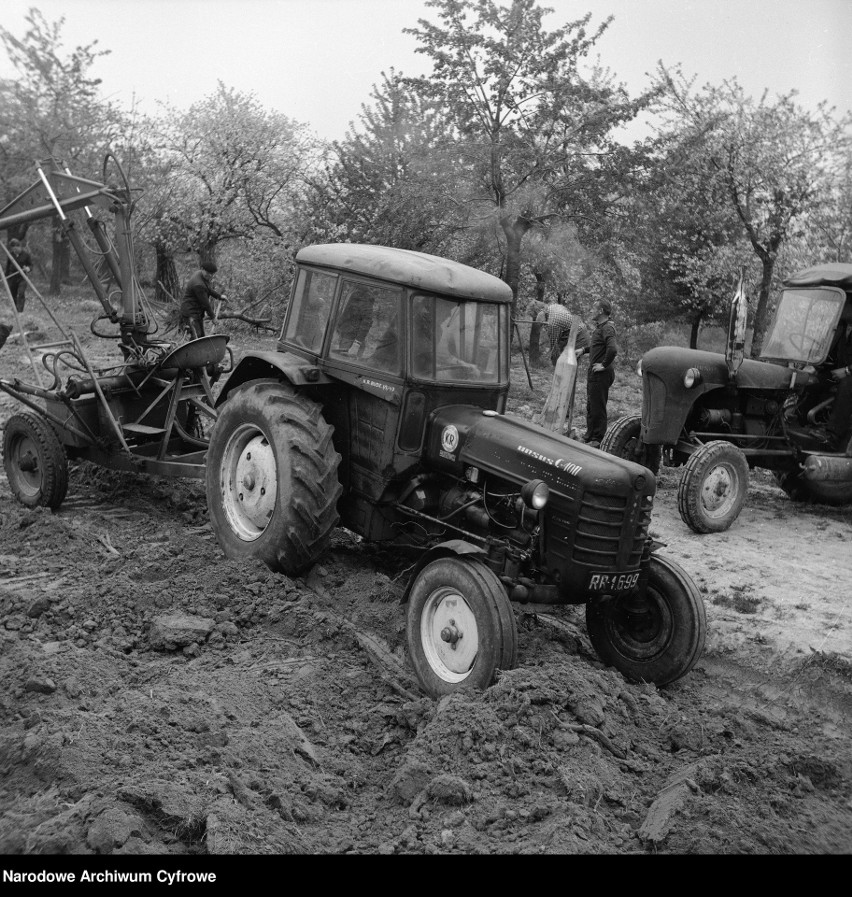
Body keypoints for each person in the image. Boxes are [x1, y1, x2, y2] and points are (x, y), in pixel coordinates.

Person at [578, 298, 618, 447]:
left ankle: (597, 439)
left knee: (597, 406)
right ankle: (589, 435)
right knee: (591, 404)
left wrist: (604, 365)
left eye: (593, 308)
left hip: (601, 373)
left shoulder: (608, 328)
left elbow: (612, 349)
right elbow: (596, 346)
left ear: (601, 311)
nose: (590, 311)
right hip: (594, 373)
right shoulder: (600, 327)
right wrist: (583, 350)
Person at [823, 303, 852, 452]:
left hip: (849, 376)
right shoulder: (839, 328)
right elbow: (830, 354)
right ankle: (799, 424)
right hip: (841, 373)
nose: (843, 306)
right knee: (813, 381)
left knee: (848, 384)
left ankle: (833, 436)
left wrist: (847, 370)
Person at [179, 260, 227, 338]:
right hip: (190, 312)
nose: (210, 276)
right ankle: (192, 350)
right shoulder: (198, 284)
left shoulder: (200, 275)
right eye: (208, 273)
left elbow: (208, 289)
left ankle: (199, 350)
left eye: (212, 274)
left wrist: (219, 296)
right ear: (202, 269)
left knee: (201, 336)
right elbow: (205, 303)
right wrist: (213, 317)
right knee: (196, 337)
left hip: (197, 312)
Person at [544, 296, 590, 366]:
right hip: (572, 332)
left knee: (569, 363)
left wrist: (554, 360)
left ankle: (566, 375)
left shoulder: (552, 323)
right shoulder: (553, 307)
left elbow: (554, 346)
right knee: (564, 362)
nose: (544, 328)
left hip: (579, 335)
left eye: (543, 326)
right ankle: (561, 374)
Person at [4, 238, 33, 313]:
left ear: (19, 247)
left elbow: (31, 265)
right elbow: (8, 266)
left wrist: (28, 268)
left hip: (22, 277)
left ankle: (20, 311)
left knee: (21, 293)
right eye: (13, 249)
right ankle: (14, 309)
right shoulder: (10, 254)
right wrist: (5, 276)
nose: (15, 251)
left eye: (16, 249)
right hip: (12, 276)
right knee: (13, 294)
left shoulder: (26, 255)